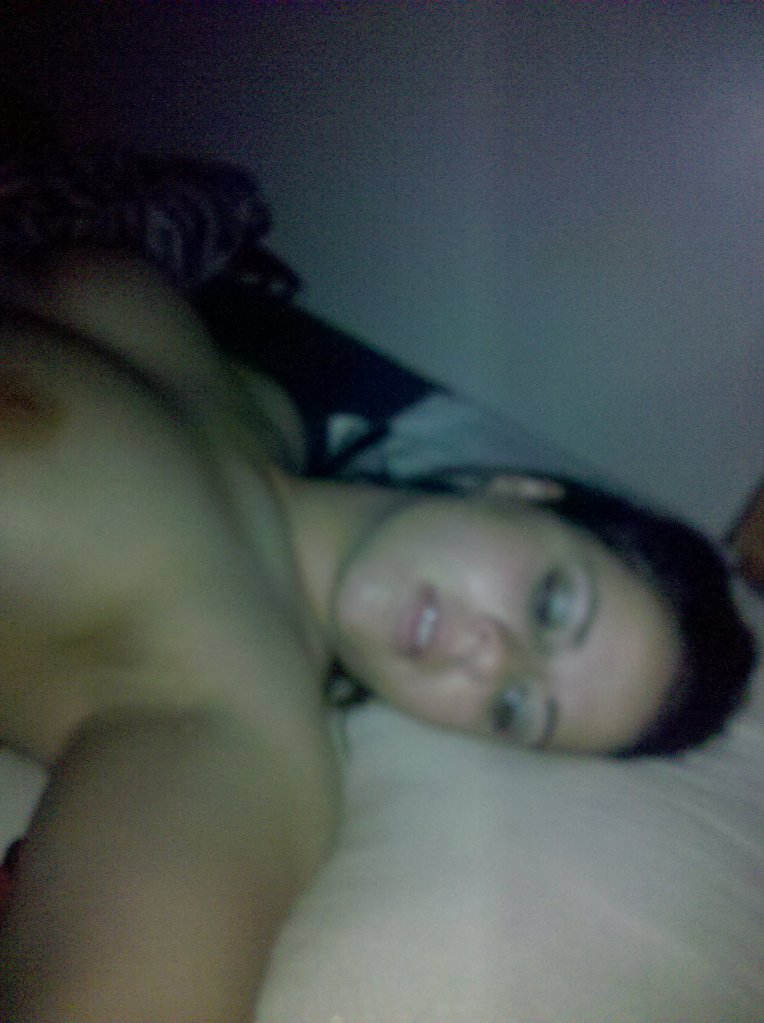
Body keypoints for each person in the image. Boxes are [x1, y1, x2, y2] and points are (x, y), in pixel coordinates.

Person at [0, 247, 755, 1020]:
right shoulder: (251, 400)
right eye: (551, 604)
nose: (490, 656)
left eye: (514, 707)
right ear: (519, 490)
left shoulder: (243, 728)